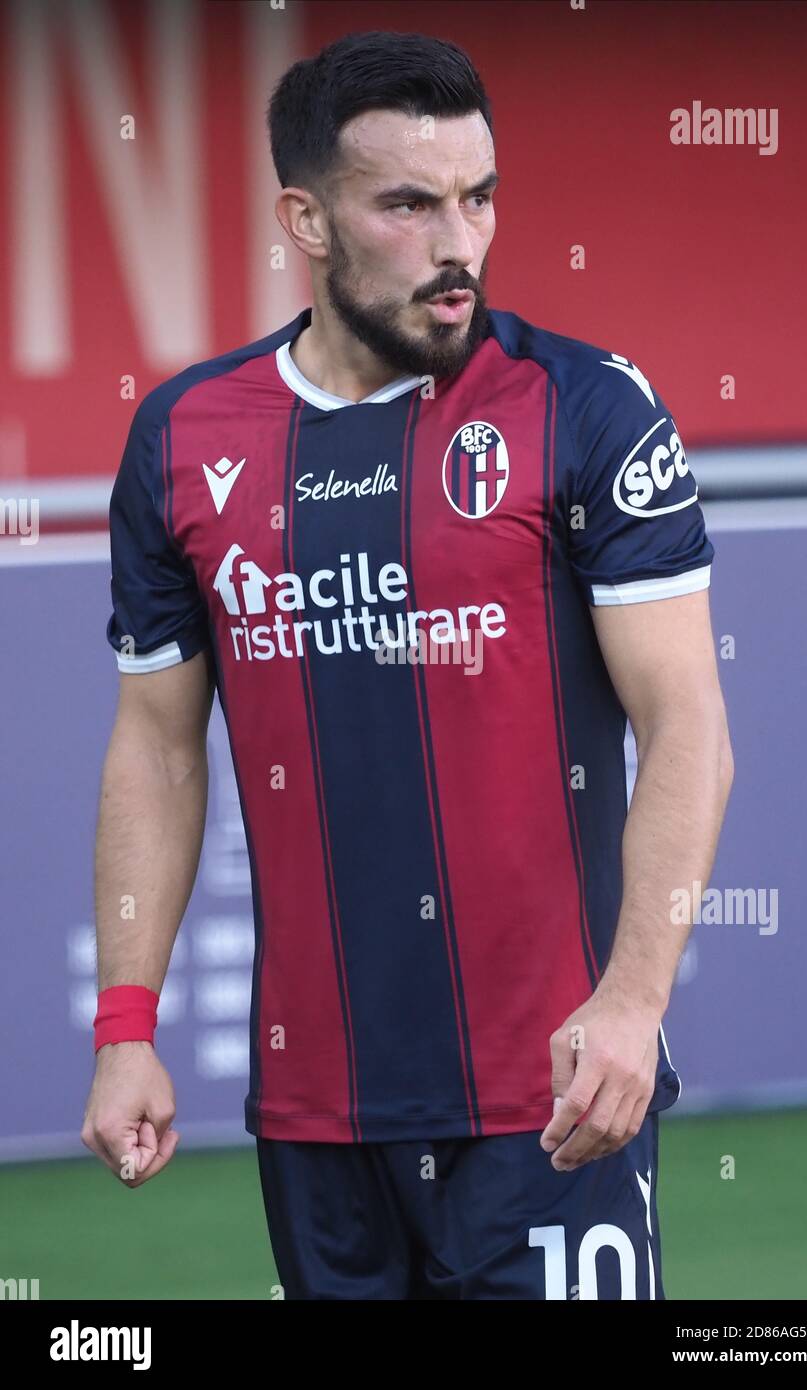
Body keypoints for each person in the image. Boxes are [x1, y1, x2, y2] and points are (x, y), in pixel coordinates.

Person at [82, 30, 733, 1300]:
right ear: (305, 219)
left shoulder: (585, 407)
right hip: (317, 1115)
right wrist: (125, 1028)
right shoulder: (183, 435)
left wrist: (632, 1001)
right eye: (409, 204)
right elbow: (156, 747)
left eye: (478, 197)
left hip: (553, 1095)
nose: (460, 244)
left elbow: (688, 722)